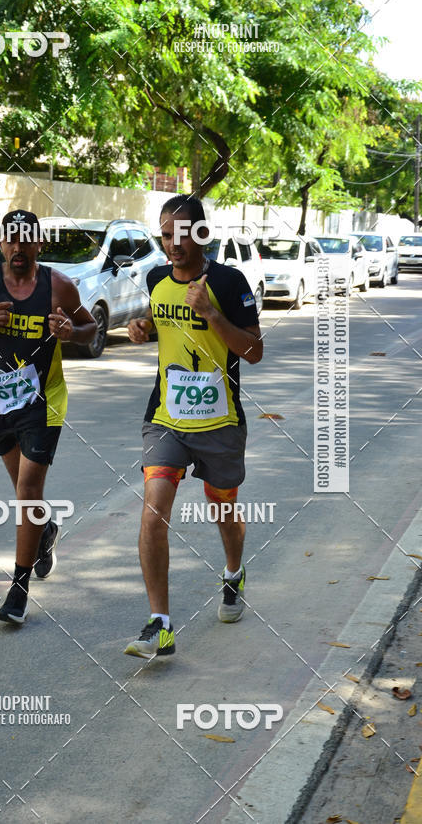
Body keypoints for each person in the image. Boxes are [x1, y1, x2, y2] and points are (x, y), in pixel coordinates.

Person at [124, 195, 263, 658]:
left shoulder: (228, 281)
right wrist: (143, 327)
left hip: (220, 421)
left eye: (183, 234)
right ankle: (159, 625)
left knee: (222, 511)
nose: (174, 244)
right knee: (153, 510)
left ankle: (233, 571)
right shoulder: (156, 278)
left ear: (201, 234)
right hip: (166, 418)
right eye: (166, 235)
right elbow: (164, 327)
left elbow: (254, 350)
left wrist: (211, 313)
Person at [0, 209, 96, 624]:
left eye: (25, 239)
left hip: (44, 402)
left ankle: (18, 590)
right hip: (1, 403)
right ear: (1, 243)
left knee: (28, 489)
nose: (17, 247)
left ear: (38, 244)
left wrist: (70, 332)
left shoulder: (58, 286)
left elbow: (91, 329)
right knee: (24, 494)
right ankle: (45, 529)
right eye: (10, 239)